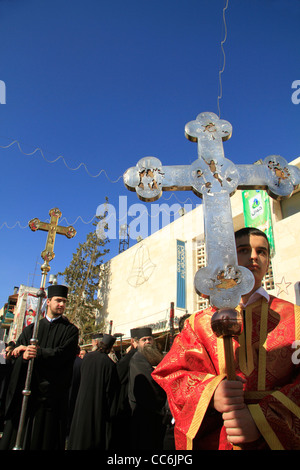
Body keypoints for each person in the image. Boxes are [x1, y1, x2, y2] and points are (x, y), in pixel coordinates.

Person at [152, 227, 300, 450]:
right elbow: (171, 373)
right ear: (229, 259)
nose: (253, 256)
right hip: (220, 437)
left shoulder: (295, 317)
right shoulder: (199, 323)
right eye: (243, 250)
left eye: (262, 251)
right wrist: (211, 393)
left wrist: (262, 420)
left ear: (268, 261)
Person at [0, 284, 79, 450]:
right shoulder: (31, 329)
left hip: (52, 397)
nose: (62, 305)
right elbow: (16, 353)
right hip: (29, 395)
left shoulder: (70, 331)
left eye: (64, 301)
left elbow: (63, 354)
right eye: (58, 300)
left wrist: (37, 352)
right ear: (48, 301)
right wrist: (22, 355)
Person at [67, 334, 120, 450]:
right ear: (110, 348)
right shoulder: (109, 364)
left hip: (82, 401)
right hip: (97, 405)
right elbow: (110, 391)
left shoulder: (87, 357)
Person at [128, 327, 167, 450]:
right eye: (143, 340)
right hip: (145, 414)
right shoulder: (137, 359)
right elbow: (150, 387)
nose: (147, 342)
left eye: (149, 339)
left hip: (156, 415)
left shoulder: (157, 356)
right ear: (137, 343)